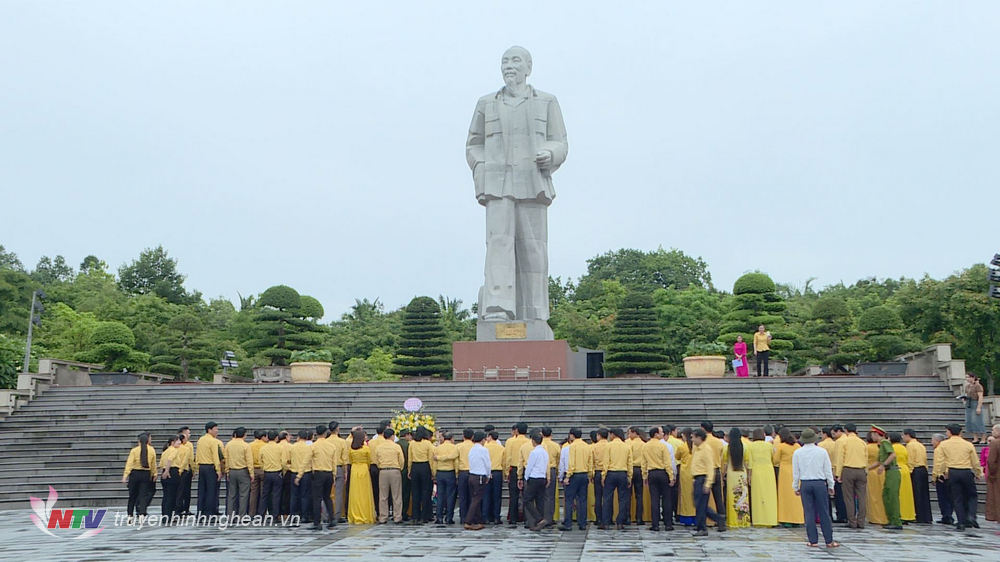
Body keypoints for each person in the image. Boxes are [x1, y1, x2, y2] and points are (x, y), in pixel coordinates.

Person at [466, 46, 568, 326]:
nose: (509, 66)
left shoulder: (547, 102)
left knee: (533, 247)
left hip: (532, 181)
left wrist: (551, 154)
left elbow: (559, 141)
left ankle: (535, 310)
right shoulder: (486, 103)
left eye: (515, 61)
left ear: (528, 67)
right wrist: (482, 167)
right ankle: (498, 306)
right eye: (505, 61)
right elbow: (474, 144)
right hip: (497, 184)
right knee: (498, 244)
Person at [792, 429, 839, 549]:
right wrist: (831, 485)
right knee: (824, 512)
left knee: (808, 512)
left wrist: (796, 486)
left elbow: (796, 472)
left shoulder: (797, 453)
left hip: (805, 483)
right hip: (819, 483)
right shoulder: (822, 452)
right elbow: (827, 470)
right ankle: (829, 540)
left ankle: (813, 540)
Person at [933, 423, 983, 531]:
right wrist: (978, 473)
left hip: (952, 472)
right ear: (960, 432)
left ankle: (961, 522)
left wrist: (939, 474)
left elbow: (940, 461)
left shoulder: (944, 444)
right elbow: (975, 461)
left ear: (949, 432)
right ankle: (971, 515)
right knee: (972, 495)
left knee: (957, 498)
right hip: (966, 471)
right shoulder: (968, 444)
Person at [691, 429, 726, 536]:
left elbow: (710, 467)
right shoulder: (697, 449)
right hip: (697, 478)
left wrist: (708, 483)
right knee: (699, 504)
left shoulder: (706, 449)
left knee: (701, 504)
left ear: (699, 438)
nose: (692, 439)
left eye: (693, 437)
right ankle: (716, 519)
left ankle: (703, 527)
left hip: (703, 478)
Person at [642, 426, 675, 531]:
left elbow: (644, 463)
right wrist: (671, 476)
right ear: (656, 434)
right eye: (660, 432)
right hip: (662, 473)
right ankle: (668, 523)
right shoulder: (663, 446)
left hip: (652, 473)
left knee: (654, 499)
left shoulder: (645, 446)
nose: (662, 434)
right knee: (666, 499)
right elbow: (667, 462)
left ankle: (655, 524)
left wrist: (645, 476)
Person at [559, 428, 592, 531]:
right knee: (582, 500)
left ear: (572, 435)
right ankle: (582, 523)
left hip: (574, 475)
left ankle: (568, 523)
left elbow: (571, 463)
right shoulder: (587, 447)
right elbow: (590, 462)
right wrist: (590, 474)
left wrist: (567, 476)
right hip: (584, 474)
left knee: (569, 500)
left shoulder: (572, 447)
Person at [836, 423, 868, 529]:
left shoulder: (844, 441)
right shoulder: (862, 442)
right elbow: (866, 457)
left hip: (848, 469)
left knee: (849, 497)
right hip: (861, 470)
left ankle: (852, 521)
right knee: (862, 497)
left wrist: (838, 473)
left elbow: (840, 458)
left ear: (846, 431)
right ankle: (861, 521)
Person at [601, 428, 633, 530]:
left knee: (607, 498)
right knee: (623, 499)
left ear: (613, 435)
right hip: (622, 473)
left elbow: (606, 461)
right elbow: (630, 463)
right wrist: (629, 476)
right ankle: (620, 522)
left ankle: (606, 522)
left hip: (611, 473)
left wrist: (603, 475)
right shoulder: (626, 447)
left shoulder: (608, 446)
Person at [773, 427, 804, 526]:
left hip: (784, 472)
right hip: (796, 471)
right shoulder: (797, 446)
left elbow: (776, 460)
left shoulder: (781, 446)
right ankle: (797, 519)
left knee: (785, 496)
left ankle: (786, 519)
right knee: (796, 496)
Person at [746, 428, 777, 527]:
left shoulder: (750, 446)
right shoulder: (769, 445)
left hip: (756, 471)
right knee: (769, 496)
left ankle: (758, 519)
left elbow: (750, 463)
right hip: (768, 471)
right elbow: (774, 458)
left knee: (757, 496)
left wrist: (749, 476)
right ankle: (771, 519)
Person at [122, 432, 156, 522]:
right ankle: (141, 513)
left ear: (139, 441)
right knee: (143, 495)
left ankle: (130, 515)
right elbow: (153, 464)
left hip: (135, 474)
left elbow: (129, 463)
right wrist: (154, 474)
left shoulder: (134, 450)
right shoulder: (151, 450)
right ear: (147, 441)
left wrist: (125, 475)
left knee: (132, 496)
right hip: (146, 474)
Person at [309, 425, 337, 530]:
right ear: (325, 433)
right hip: (329, 473)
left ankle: (317, 522)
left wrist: (300, 474)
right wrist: (334, 475)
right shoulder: (331, 446)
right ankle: (332, 518)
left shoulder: (313, 446)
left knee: (317, 498)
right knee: (327, 497)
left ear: (316, 433)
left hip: (318, 473)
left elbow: (307, 460)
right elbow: (334, 462)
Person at [902, 429, 933, 524]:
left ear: (908, 435)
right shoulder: (920, 445)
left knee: (916, 494)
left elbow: (910, 460)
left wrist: (910, 471)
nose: (902, 437)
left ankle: (918, 515)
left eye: (903, 435)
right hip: (923, 469)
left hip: (915, 470)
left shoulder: (910, 445)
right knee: (924, 494)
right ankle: (926, 517)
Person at [375, 427, 405, 524]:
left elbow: (377, 460)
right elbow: (401, 460)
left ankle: (383, 517)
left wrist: (381, 466)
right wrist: (399, 468)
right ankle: (397, 517)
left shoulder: (379, 447)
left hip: (383, 471)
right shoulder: (396, 446)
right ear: (392, 436)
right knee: (396, 495)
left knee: (383, 496)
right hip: (394, 470)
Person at [522, 431, 550, 531]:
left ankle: (539, 519)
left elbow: (530, 466)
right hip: (542, 477)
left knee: (527, 500)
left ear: (533, 441)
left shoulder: (534, 452)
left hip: (534, 477)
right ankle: (539, 522)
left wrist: (526, 477)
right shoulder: (544, 452)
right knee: (540, 500)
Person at [347, 428, 376, 524]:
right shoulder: (366, 449)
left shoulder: (351, 449)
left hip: (354, 470)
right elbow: (369, 460)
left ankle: (354, 514)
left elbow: (350, 460)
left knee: (355, 493)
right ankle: (365, 514)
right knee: (364, 493)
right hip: (364, 470)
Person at [407, 426, 435, 524]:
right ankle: (425, 516)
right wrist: (433, 472)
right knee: (426, 492)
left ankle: (415, 516)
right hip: (425, 466)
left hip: (415, 467)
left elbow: (410, 458)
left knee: (415, 492)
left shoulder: (412, 443)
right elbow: (431, 459)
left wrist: (409, 470)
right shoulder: (428, 443)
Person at [224, 426, 254, 517]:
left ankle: (230, 515)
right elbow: (249, 460)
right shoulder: (246, 445)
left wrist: (227, 471)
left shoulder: (228, 444)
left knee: (231, 494)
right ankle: (242, 515)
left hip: (232, 471)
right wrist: (251, 473)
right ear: (244, 435)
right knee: (243, 495)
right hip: (243, 471)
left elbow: (226, 458)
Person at [724, 427, 750, 528]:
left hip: (731, 474)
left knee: (732, 498)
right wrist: (748, 476)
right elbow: (747, 463)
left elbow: (725, 464)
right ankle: (744, 521)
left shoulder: (727, 448)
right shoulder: (745, 447)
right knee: (743, 497)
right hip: (742, 474)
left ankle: (733, 521)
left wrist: (723, 475)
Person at [195, 422, 224, 516]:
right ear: (209, 430)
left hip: (202, 467)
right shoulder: (213, 441)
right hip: (210, 467)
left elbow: (198, 455)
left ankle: (200, 511)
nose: (217, 431)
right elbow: (215, 456)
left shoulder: (200, 440)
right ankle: (209, 512)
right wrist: (218, 470)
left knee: (202, 490)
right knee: (211, 491)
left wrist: (196, 468)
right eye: (215, 429)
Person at [504, 422, 529, 525]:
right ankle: (526, 518)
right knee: (526, 495)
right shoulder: (529, 442)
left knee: (513, 495)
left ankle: (513, 518)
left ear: (517, 430)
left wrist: (506, 471)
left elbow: (508, 457)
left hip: (513, 468)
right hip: (526, 469)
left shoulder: (510, 441)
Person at [465, 431, 491, 530]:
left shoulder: (472, 449)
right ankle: (468, 520)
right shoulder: (483, 450)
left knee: (475, 498)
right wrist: (488, 475)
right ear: (482, 440)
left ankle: (479, 520)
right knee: (476, 499)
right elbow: (487, 463)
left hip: (471, 475)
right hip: (480, 475)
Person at [700, 421, 726, 522]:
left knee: (703, 499)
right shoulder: (718, 442)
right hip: (716, 470)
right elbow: (721, 457)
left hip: (705, 471)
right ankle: (721, 521)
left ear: (703, 429)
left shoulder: (702, 442)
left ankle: (705, 520)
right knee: (718, 498)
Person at [864, 429, 889, 526]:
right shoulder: (881, 446)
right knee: (881, 495)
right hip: (881, 471)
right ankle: (883, 517)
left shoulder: (867, 447)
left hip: (871, 471)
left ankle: (874, 517)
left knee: (872, 496)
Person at [433, 431, 459, 525]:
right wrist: (456, 473)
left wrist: (434, 473)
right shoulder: (454, 448)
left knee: (440, 495)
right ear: (451, 438)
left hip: (440, 472)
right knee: (450, 496)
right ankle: (449, 517)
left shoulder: (438, 448)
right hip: (450, 473)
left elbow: (434, 462)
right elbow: (456, 462)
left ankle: (439, 517)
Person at [890, 432, 915, 524]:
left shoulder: (892, 448)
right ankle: (907, 514)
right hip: (905, 470)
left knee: (897, 494)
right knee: (906, 494)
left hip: (896, 469)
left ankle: (899, 514)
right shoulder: (904, 448)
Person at [259, 430, 286, 518]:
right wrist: (282, 470)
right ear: (276, 438)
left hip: (267, 473)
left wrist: (264, 468)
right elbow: (284, 462)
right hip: (277, 473)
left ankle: (261, 514)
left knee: (265, 495)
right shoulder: (280, 448)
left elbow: (260, 461)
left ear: (267, 437)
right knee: (276, 495)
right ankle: (275, 515)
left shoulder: (263, 448)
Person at [930, 433, 954, 525]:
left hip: (942, 475)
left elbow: (938, 464)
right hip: (950, 473)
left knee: (943, 497)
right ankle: (948, 515)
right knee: (949, 497)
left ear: (937, 441)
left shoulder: (939, 449)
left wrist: (935, 476)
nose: (932, 442)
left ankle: (946, 516)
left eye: (932, 440)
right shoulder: (949, 448)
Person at [540, 427, 561, 526]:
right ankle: (549, 518)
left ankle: (540, 517)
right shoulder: (556, 445)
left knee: (540, 495)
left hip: (540, 470)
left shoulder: (539, 444)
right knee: (550, 496)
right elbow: (558, 459)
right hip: (552, 469)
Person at [484, 430, 505, 524]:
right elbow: (504, 462)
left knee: (486, 495)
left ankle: (486, 517)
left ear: (490, 437)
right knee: (497, 496)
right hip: (498, 472)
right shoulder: (501, 448)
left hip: (487, 472)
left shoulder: (485, 447)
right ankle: (497, 517)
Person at [159, 435, 183, 518]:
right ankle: (168, 515)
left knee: (166, 495)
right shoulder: (174, 450)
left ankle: (164, 514)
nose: (180, 442)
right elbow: (170, 459)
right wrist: (167, 470)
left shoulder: (165, 451)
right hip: (172, 472)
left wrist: (165, 470)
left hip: (165, 472)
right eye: (178, 441)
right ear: (173, 442)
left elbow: (161, 464)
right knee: (172, 496)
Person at [329, 421, 348, 523]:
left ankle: (326, 514)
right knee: (339, 493)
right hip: (339, 467)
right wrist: (345, 472)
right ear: (337, 429)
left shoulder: (326, 441)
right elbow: (345, 458)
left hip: (327, 468)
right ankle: (337, 515)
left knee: (327, 493)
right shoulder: (342, 442)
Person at [591, 428, 610, 528]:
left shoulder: (594, 447)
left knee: (598, 497)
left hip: (598, 472)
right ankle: (607, 518)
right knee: (607, 497)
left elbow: (592, 461)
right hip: (608, 472)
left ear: (599, 435)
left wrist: (591, 474)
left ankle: (598, 518)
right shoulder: (610, 446)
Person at [456, 428, 475, 524]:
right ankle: (471, 517)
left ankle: (463, 517)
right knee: (472, 496)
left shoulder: (458, 446)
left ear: (463, 436)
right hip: (473, 472)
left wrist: (456, 472)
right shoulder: (475, 446)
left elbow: (456, 460)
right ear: (472, 437)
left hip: (462, 472)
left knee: (462, 496)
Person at [627, 426, 646, 525]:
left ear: (634, 433)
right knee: (639, 495)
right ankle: (639, 518)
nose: (629, 435)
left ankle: (628, 517)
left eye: (630, 433)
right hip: (640, 469)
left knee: (628, 495)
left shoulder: (628, 443)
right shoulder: (644, 444)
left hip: (630, 469)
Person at [963, 373, 986, 444]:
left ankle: (983, 438)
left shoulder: (978, 386)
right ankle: (975, 438)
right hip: (969, 403)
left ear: (973, 378)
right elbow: (967, 394)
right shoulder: (967, 386)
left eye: (968, 377)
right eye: (966, 377)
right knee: (970, 421)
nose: (967, 379)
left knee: (977, 420)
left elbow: (980, 396)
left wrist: (979, 407)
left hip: (975, 402)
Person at [249, 430, 267, 517]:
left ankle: (252, 513)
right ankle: (261, 513)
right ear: (263, 437)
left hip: (253, 470)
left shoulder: (250, 445)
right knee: (263, 492)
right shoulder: (265, 446)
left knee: (253, 492)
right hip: (263, 469)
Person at [178, 427, 195, 516]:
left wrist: (193, 469)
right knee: (182, 490)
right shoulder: (186, 446)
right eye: (188, 433)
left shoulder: (189, 444)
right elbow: (190, 458)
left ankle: (185, 508)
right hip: (184, 469)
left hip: (185, 469)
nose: (189, 435)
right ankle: (181, 508)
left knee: (186, 490)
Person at [986, 425, 1000, 522]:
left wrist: (991, 473)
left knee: (996, 497)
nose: (992, 432)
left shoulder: (995, 443)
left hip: (997, 474)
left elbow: (991, 461)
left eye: (993, 430)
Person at [397, 428, 412, 522]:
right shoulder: (409, 445)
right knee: (406, 492)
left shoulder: (396, 444)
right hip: (406, 470)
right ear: (406, 435)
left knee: (397, 493)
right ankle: (404, 512)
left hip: (397, 469)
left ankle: (397, 512)